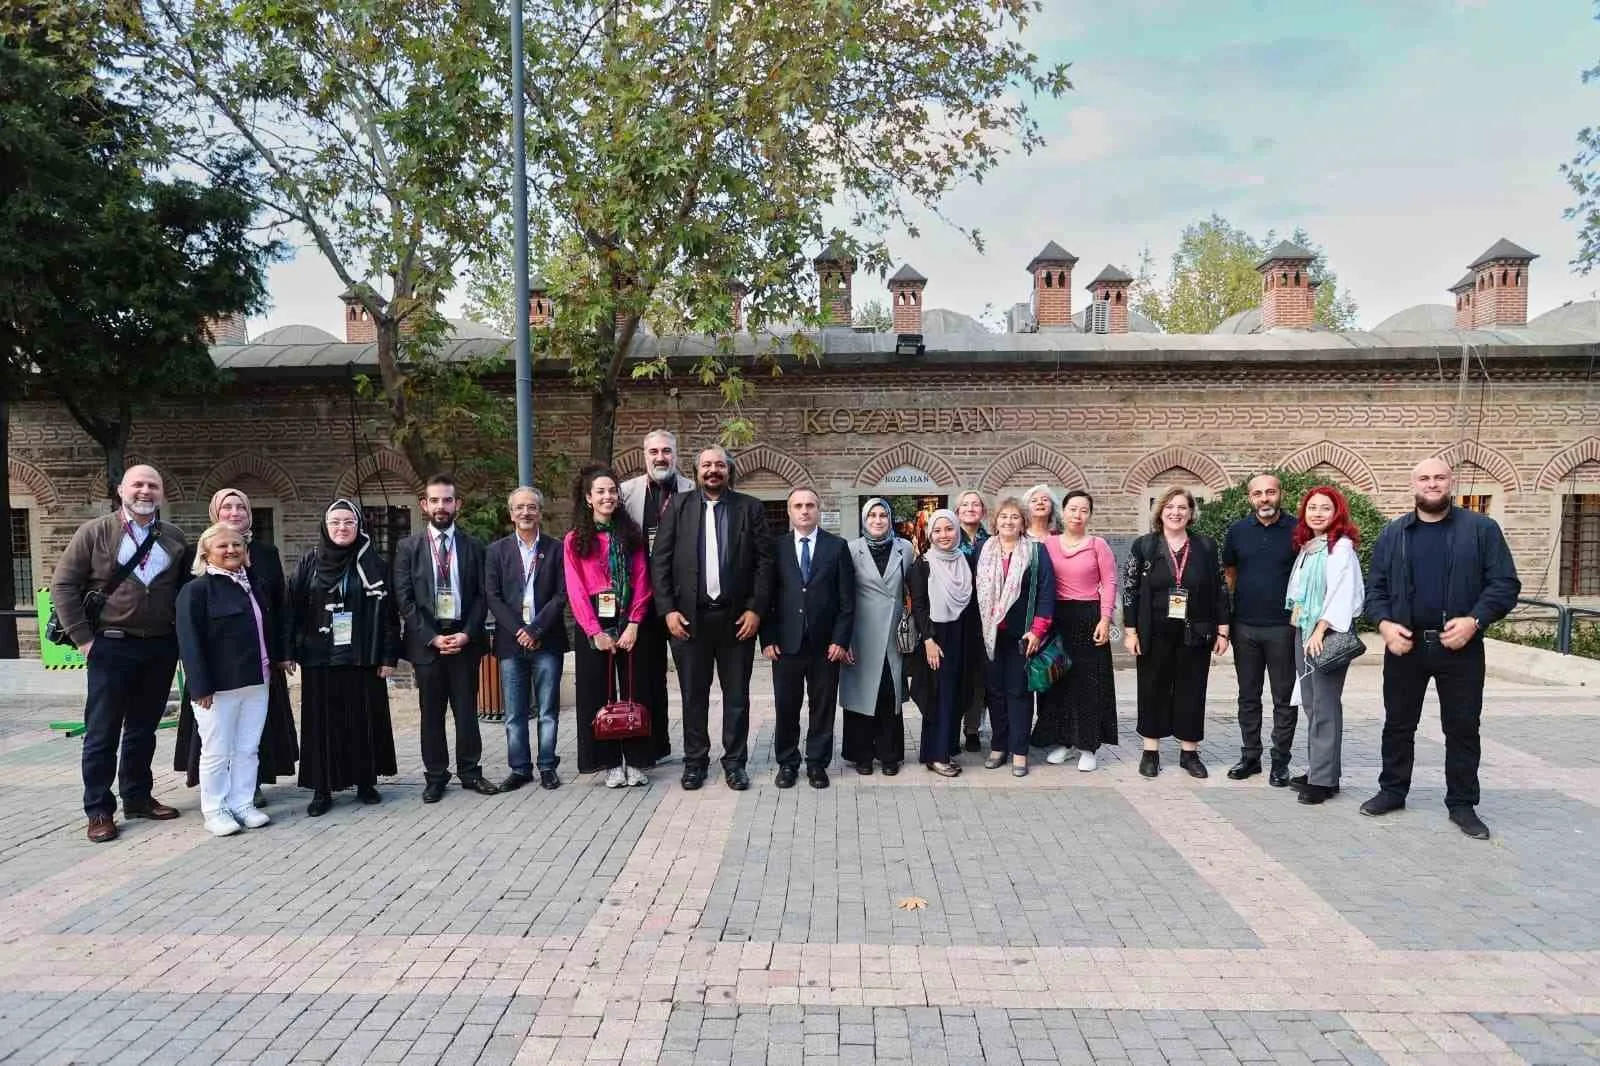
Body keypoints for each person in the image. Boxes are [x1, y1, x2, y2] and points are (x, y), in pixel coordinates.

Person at [1361, 458, 1520, 839]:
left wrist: (1474, 621)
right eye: (1424, 478)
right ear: (1413, 484)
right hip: (1405, 646)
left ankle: (1462, 804)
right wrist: (1384, 625)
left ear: (1451, 482)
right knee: (1398, 724)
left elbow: (1504, 584)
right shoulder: (1393, 533)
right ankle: (1392, 791)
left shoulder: (1481, 530)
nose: (1431, 484)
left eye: (1439, 477)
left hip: (1461, 647)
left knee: (1463, 727)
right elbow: (1375, 589)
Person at [51, 464, 188, 843]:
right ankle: (98, 809)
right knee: (102, 731)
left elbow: (184, 590)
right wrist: (83, 639)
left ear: (162, 493)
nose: (145, 491)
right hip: (110, 645)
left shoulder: (174, 537)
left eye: (153, 485)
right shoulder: (94, 532)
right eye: (137, 484)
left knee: (143, 730)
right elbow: (63, 584)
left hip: (159, 645)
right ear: (121, 491)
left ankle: (138, 797)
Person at [652, 445, 774, 791]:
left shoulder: (750, 508)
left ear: (729, 470)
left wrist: (755, 609)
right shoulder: (678, 507)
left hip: (737, 621)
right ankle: (695, 762)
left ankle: (735, 763)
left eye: (719, 465)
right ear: (696, 471)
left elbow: (765, 563)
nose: (713, 470)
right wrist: (668, 610)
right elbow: (660, 561)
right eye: (706, 465)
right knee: (693, 696)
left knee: (736, 697)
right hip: (689, 622)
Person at [173, 488, 298, 810]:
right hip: (218, 670)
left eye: (240, 506)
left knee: (250, 738)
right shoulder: (193, 570)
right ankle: (216, 802)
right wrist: (199, 678)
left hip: (257, 665)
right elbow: (189, 625)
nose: (234, 512)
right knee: (217, 740)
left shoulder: (263, 559)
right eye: (226, 507)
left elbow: (278, 606)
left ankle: (247, 793)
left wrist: (283, 651)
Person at [288, 500, 400, 816]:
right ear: (325, 527)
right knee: (322, 726)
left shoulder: (373, 564)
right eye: (335, 522)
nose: (342, 528)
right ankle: (322, 789)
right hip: (320, 657)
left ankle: (365, 782)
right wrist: (289, 651)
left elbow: (389, 615)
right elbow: (292, 608)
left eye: (349, 522)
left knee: (362, 722)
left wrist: (388, 657)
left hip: (362, 656)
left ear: (358, 526)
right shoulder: (310, 561)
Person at [394, 474, 499, 803]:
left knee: (467, 712)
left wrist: (467, 633)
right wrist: (432, 637)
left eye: (448, 500)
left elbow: (483, 596)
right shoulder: (408, 548)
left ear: (458, 505)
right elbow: (404, 599)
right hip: (427, 644)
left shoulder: (475, 546)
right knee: (432, 714)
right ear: (424, 505)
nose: (442, 506)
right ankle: (436, 776)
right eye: (435, 500)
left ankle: (470, 772)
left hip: (464, 641)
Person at [176, 524, 279, 836]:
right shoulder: (196, 591)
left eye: (237, 545)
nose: (232, 550)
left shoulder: (255, 585)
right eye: (223, 546)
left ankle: (242, 803)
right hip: (218, 687)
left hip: (257, 681)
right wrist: (200, 686)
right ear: (206, 552)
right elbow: (189, 642)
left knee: (248, 748)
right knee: (216, 751)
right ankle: (215, 809)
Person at [1122, 487, 1230, 779]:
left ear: (1191, 512)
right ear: (1160, 511)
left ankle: (1189, 752)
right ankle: (1150, 751)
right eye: (1169, 506)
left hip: (1195, 631)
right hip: (1153, 631)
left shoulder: (1206, 546)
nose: (1175, 512)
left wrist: (1223, 630)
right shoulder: (1144, 545)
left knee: (1192, 689)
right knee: (1151, 687)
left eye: (1182, 507)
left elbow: (1220, 587)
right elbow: (1129, 589)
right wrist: (1131, 631)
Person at [566, 464, 657, 787]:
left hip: (629, 615)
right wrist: (595, 632)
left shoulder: (631, 535)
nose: (608, 496)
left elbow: (643, 580)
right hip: (594, 619)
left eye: (612, 491)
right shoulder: (575, 540)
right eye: (600, 491)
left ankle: (637, 760)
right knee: (596, 692)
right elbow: (575, 589)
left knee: (636, 689)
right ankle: (608, 763)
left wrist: (634, 623)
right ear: (588, 498)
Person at [761, 487, 855, 789]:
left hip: (825, 646)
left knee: (822, 707)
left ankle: (817, 763)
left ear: (818, 509)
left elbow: (847, 600)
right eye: (798, 506)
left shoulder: (837, 547)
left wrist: (840, 640)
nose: (804, 510)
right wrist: (767, 638)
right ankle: (787, 763)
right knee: (786, 707)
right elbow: (766, 597)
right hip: (786, 645)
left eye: (810, 505)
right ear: (789, 511)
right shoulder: (776, 548)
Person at [1283, 486, 1364, 806]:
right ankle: (1321, 770)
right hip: (1304, 630)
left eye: (1325, 508)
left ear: (1337, 512)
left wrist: (1320, 629)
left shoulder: (1340, 548)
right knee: (1312, 704)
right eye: (1312, 507)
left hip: (1326, 634)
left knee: (1325, 705)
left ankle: (1322, 780)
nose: (1317, 513)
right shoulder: (1311, 547)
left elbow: (1344, 593)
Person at [485, 486, 568, 791]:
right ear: (511, 514)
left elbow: (562, 594)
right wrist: (520, 630)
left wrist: (535, 629)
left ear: (540, 512)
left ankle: (547, 766)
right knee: (514, 713)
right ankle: (520, 769)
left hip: (547, 639)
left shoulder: (557, 549)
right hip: (511, 642)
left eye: (531, 507)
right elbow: (493, 596)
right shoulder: (496, 551)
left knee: (547, 710)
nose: (525, 512)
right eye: (519, 507)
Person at [619, 429, 694, 762]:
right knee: (646, 678)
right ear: (644, 455)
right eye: (654, 452)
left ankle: (695, 752)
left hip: (682, 601)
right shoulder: (626, 493)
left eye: (666, 451)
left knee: (692, 679)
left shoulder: (692, 491)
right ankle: (653, 747)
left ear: (675, 455)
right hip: (642, 600)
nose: (660, 457)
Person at [1222, 474, 1300, 786]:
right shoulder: (1237, 531)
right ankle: (1250, 757)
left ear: (1281, 494)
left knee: (1284, 698)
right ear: (1250, 498)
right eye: (1258, 493)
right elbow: (1230, 574)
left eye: (1270, 492)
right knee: (1248, 696)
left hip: (1284, 628)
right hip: (1245, 627)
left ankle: (1280, 761)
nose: (1264, 498)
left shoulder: (1299, 530)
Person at [1034, 490, 1119, 772]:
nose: (1077, 515)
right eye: (1073, 509)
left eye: (1084, 510)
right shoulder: (1049, 544)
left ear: (1090, 515)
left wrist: (1105, 619)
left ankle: (1088, 746)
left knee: (1088, 684)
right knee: (1059, 682)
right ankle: (1064, 742)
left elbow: (1110, 582)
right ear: (1063, 511)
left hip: (1088, 617)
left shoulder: (1098, 545)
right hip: (1057, 619)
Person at [974, 497, 1055, 777]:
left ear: (1023, 523)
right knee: (995, 692)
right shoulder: (983, 550)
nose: (1008, 521)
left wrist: (1038, 630)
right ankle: (999, 746)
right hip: (990, 635)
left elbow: (1046, 592)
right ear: (995, 522)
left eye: (1015, 517)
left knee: (1018, 692)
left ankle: (1019, 751)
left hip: (1023, 636)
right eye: (1003, 516)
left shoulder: (1035, 551)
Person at [839, 498, 914, 775]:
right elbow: (843, 595)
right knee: (861, 694)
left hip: (892, 633)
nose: (878, 520)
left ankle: (889, 754)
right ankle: (862, 755)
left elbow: (911, 588)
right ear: (864, 519)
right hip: (860, 633)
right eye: (872, 515)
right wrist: (844, 639)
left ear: (890, 519)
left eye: (883, 515)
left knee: (888, 692)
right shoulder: (850, 549)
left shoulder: (905, 548)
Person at [908, 509, 974, 778]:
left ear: (957, 530)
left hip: (962, 636)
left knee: (956, 694)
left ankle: (944, 749)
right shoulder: (922, 565)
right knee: (938, 696)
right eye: (937, 530)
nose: (944, 535)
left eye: (949, 529)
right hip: (936, 638)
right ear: (930, 534)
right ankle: (936, 755)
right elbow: (919, 607)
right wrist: (928, 640)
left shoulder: (965, 561)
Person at [954, 489, 989, 754]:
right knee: (956, 674)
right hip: (955, 618)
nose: (970, 508)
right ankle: (951, 727)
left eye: (975, 504)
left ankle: (973, 728)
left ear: (983, 511)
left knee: (979, 677)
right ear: (957, 512)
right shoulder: (948, 537)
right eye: (964, 505)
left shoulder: (992, 541)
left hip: (984, 618)